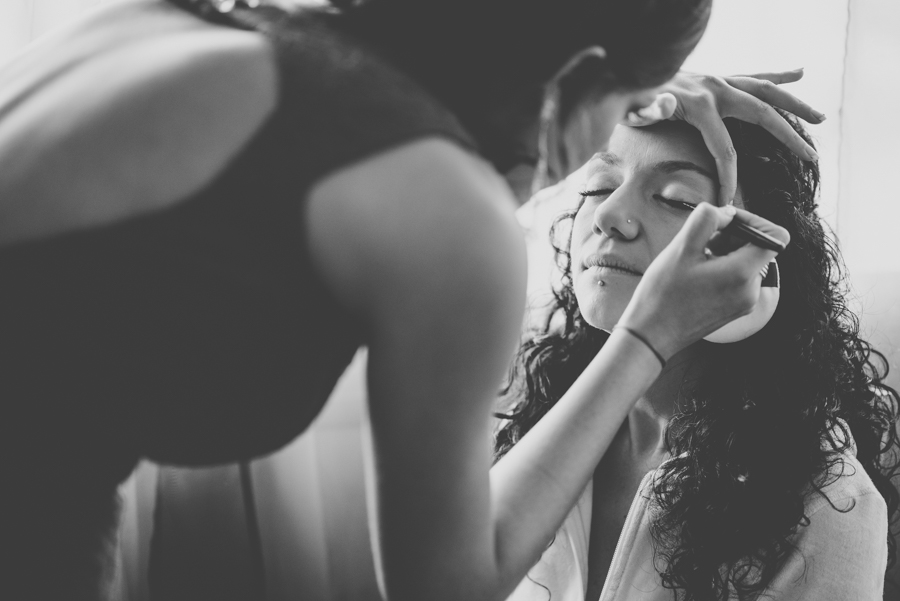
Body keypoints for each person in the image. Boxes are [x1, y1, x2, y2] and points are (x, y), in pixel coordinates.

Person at [0, 0, 816, 598]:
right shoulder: (441, 212)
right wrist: (645, 336)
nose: (602, 201)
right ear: (577, 68)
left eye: (670, 194)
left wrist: (604, 82)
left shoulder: (172, 27)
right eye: (607, 149)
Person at [496, 115, 899, 600]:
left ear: (758, 265)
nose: (608, 215)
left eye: (678, 199)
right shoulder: (527, 409)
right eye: (598, 186)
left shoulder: (828, 503)